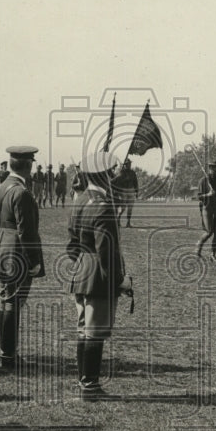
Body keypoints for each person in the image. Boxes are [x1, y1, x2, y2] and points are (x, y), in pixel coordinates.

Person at [66, 150, 133, 399]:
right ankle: (90, 386)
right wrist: (120, 280)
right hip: (97, 277)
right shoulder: (104, 207)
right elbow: (107, 252)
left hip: (82, 272)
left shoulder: (80, 201)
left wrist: (84, 264)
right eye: (111, 172)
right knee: (94, 331)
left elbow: (71, 246)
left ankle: (85, 381)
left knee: (84, 329)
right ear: (105, 176)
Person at [0, 146, 44, 368]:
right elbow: (27, 231)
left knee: (5, 300)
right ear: (29, 165)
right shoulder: (21, 192)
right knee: (13, 302)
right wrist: (34, 260)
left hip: (1, 247)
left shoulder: (1, 188)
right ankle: (8, 355)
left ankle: (6, 351)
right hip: (17, 251)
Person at [196, 161, 216, 259]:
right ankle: (199, 246)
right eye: (213, 167)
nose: (215, 169)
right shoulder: (203, 180)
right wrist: (208, 195)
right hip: (207, 208)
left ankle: (213, 254)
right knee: (209, 231)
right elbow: (199, 197)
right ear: (209, 168)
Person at [114, 158, 140, 227]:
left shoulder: (132, 173)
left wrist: (136, 192)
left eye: (130, 164)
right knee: (123, 208)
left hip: (131, 190)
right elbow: (117, 182)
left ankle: (128, 222)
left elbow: (135, 182)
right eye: (128, 164)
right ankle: (118, 220)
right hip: (123, 191)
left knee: (130, 208)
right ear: (125, 165)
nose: (129, 165)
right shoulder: (121, 172)